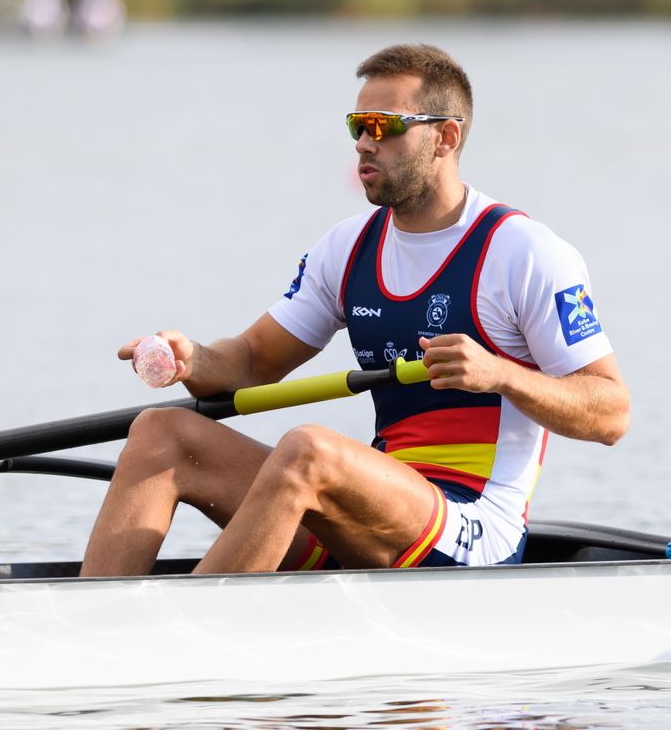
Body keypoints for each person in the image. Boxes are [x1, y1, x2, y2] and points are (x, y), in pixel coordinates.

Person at [80, 43, 629, 577]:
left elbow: (611, 413)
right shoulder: (347, 248)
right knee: (161, 433)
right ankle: (91, 617)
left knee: (309, 451)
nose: (365, 143)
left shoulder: (523, 253)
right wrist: (195, 359)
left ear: (446, 137)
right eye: (357, 126)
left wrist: (501, 375)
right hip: (374, 510)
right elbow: (252, 360)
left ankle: (192, 625)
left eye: (384, 126)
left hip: (475, 524)